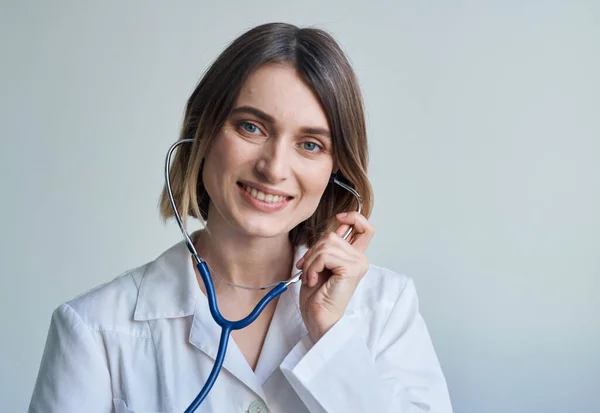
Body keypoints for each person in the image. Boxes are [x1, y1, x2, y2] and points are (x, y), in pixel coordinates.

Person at [29, 22, 453, 413]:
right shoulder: (95, 328)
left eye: (310, 145)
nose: (274, 167)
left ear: (335, 171)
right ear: (203, 131)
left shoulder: (385, 306)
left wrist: (331, 335)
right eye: (252, 127)